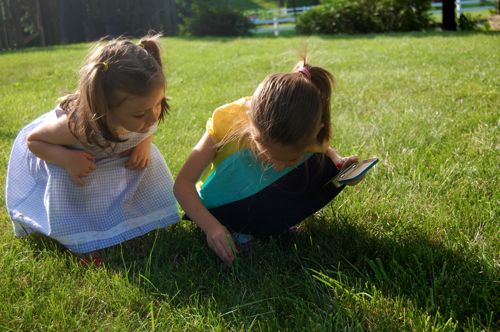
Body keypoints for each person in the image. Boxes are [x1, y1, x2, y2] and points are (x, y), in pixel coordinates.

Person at [174, 58, 362, 265]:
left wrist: (339, 164)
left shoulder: (304, 129)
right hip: (225, 203)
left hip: (262, 199)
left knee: (317, 163)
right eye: (268, 154)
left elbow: (324, 149)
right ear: (250, 123)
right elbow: (183, 185)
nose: (278, 166)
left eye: (289, 159)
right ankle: (240, 226)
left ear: (316, 131)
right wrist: (211, 227)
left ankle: (271, 222)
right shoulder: (226, 123)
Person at [5, 35, 179, 259]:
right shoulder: (75, 127)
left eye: (158, 104)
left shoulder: (142, 113)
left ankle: (127, 224)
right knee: (68, 180)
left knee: (142, 164)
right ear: (105, 107)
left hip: (108, 154)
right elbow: (33, 141)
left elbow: (148, 124)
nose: (153, 117)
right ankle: (79, 240)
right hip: (66, 155)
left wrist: (144, 144)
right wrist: (67, 159)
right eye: (139, 113)